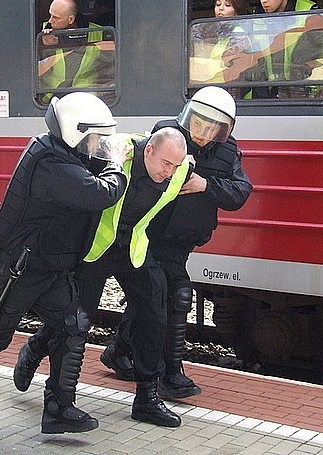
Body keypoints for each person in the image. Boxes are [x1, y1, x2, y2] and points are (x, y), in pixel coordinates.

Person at [0, 92, 128, 434]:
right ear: (73, 132)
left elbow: (87, 172)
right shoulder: (49, 162)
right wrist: (118, 165)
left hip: (48, 265)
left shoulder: (62, 153)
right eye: (95, 138)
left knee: (72, 325)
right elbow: (100, 193)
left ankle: (59, 408)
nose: (99, 145)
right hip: (15, 267)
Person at [13, 127, 191, 428]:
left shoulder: (180, 167)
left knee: (155, 311)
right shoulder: (118, 151)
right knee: (75, 318)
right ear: (148, 151)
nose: (170, 172)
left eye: (176, 166)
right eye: (165, 163)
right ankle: (35, 351)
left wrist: (207, 184)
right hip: (97, 247)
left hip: (132, 247)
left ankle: (147, 398)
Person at [100, 86, 252, 400]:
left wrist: (204, 184)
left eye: (213, 128)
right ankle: (169, 373)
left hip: (183, 240)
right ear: (188, 116)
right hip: (152, 236)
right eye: (198, 123)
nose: (203, 132)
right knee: (176, 296)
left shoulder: (228, 151)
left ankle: (118, 351)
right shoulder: (166, 135)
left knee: (156, 298)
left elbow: (240, 191)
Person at [251, 0, 320, 98]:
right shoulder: (256, 17)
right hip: (265, 91)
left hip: (303, 90)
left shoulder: (309, 11)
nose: (263, 0)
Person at [38, 0, 105, 102]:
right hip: (50, 99)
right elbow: (35, 68)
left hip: (84, 98)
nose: (50, 21)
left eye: (56, 17)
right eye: (50, 15)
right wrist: (46, 47)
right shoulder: (43, 31)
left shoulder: (98, 32)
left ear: (71, 19)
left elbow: (106, 66)